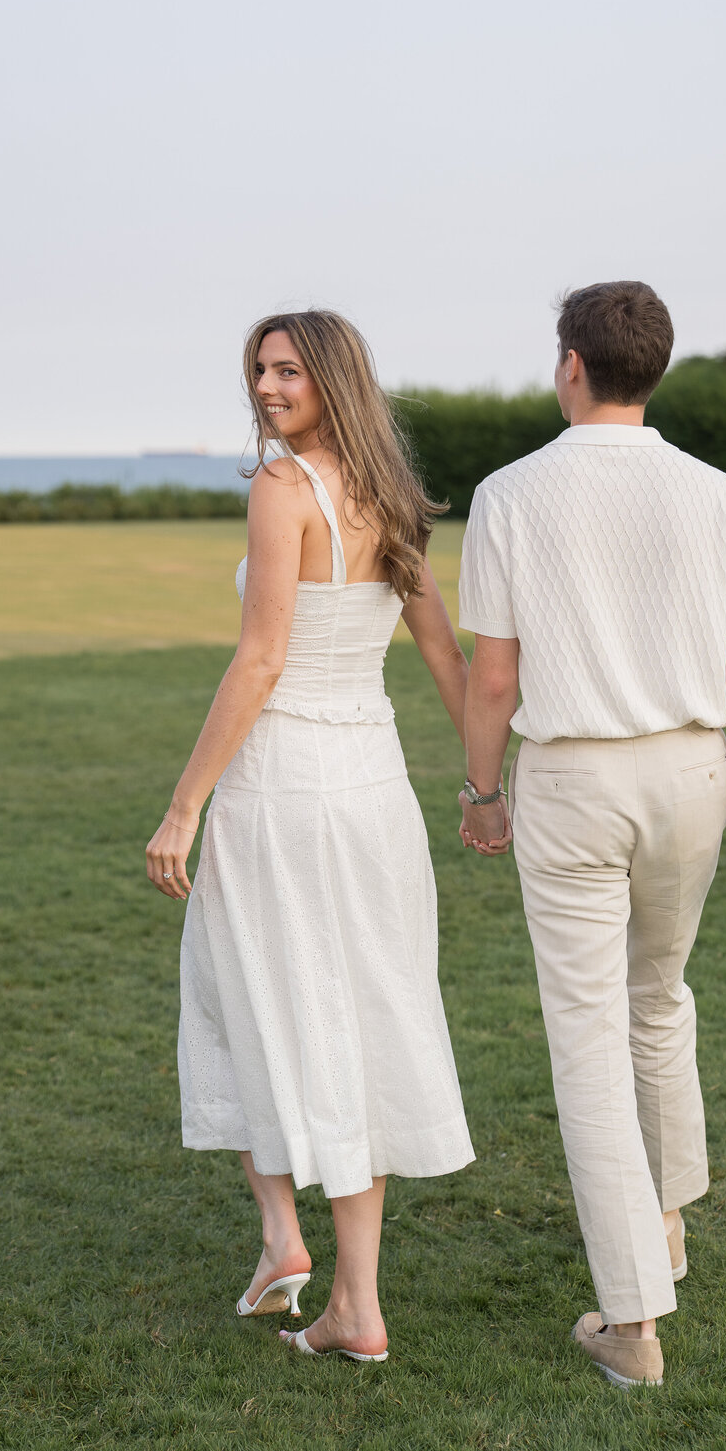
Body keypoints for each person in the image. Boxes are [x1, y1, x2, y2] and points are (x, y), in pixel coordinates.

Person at [456, 281, 726, 1389]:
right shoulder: (716, 492)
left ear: (571, 364)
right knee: (659, 997)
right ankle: (665, 1220)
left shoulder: (511, 494)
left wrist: (478, 791)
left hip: (574, 778)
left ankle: (633, 1320)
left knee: (592, 1031)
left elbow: (494, 678)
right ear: (653, 368)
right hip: (695, 774)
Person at [145, 310, 474, 1364]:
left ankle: (289, 1239)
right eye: (258, 369)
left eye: (287, 370)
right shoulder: (392, 499)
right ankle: (344, 1296)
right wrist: (482, 787)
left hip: (283, 785)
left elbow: (260, 662)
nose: (267, 386)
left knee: (245, 996)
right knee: (354, 1016)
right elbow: (445, 659)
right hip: (372, 788)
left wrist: (183, 804)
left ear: (333, 379)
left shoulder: (283, 491)